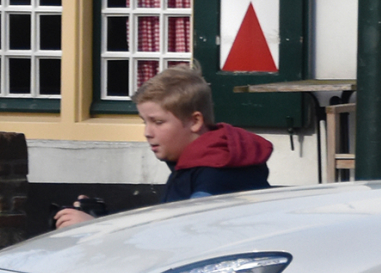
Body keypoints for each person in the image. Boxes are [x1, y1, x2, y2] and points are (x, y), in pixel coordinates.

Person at [53, 64, 274, 229]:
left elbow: (179, 236)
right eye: (145, 121)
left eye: (158, 122)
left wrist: (97, 228)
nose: (148, 132)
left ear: (195, 121)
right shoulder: (199, 163)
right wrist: (104, 217)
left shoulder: (216, 174)